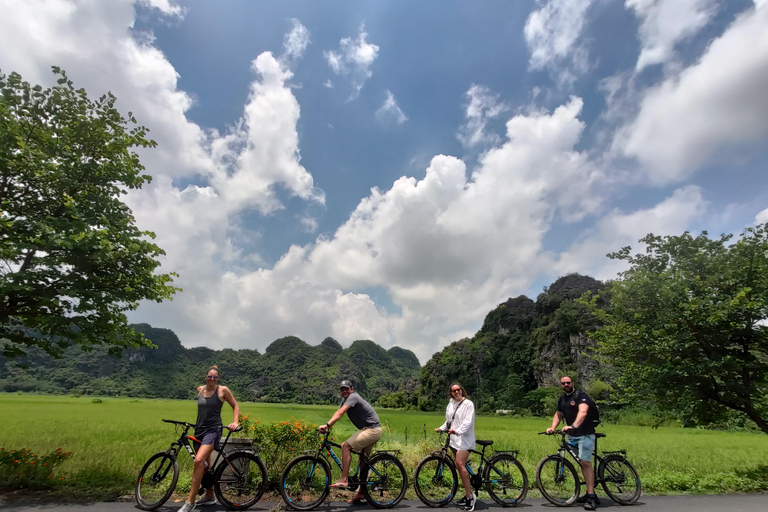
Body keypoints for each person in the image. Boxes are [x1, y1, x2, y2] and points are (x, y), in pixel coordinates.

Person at [179, 365, 240, 512]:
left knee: (199, 460)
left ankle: (190, 501)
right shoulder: (200, 390)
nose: (212, 379)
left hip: (213, 431)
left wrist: (235, 422)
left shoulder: (222, 390)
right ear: (205, 377)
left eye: (215, 377)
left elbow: (235, 405)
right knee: (205, 466)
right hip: (199, 431)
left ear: (217, 378)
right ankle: (209, 495)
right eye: (210, 376)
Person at [319, 380, 382, 504]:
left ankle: (344, 479)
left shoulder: (353, 397)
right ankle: (361, 493)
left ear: (351, 389)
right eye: (342, 389)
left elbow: (340, 413)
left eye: (346, 389)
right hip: (369, 429)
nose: (344, 391)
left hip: (372, 430)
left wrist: (327, 425)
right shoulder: (345, 400)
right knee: (363, 461)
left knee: (345, 446)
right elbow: (337, 414)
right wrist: (329, 426)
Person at [547, 375, 600, 511]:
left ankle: (591, 497)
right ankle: (590, 490)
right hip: (572, 437)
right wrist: (552, 428)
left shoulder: (581, 396)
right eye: (563, 383)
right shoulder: (562, 399)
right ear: (561, 385)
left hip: (585, 434)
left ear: (573, 383)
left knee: (585, 463)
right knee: (581, 463)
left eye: (568, 382)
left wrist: (573, 425)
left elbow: (583, 412)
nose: (566, 385)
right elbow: (558, 414)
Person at [436, 383, 476, 511]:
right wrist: (442, 428)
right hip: (454, 439)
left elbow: (467, 422)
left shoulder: (468, 404)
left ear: (462, 391)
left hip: (465, 439)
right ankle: (467, 494)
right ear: (451, 393)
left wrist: (457, 431)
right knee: (461, 466)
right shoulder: (451, 403)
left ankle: (470, 498)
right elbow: (449, 421)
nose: (457, 392)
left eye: (458, 389)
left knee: (459, 463)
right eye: (454, 390)